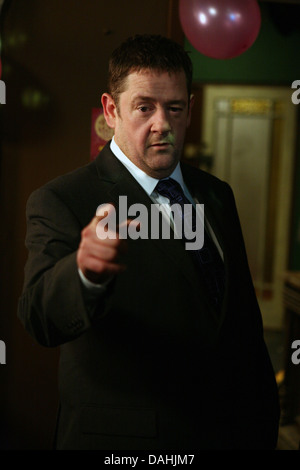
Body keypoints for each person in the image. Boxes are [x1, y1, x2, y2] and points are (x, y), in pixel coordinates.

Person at [18, 34, 280, 450]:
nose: (162, 124)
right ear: (111, 110)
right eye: (144, 107)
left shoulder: (216, 194)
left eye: (174, 108)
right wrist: (83, 271)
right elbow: (39, 316)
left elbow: (239, 322)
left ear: (190, 109)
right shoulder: (63, 199)